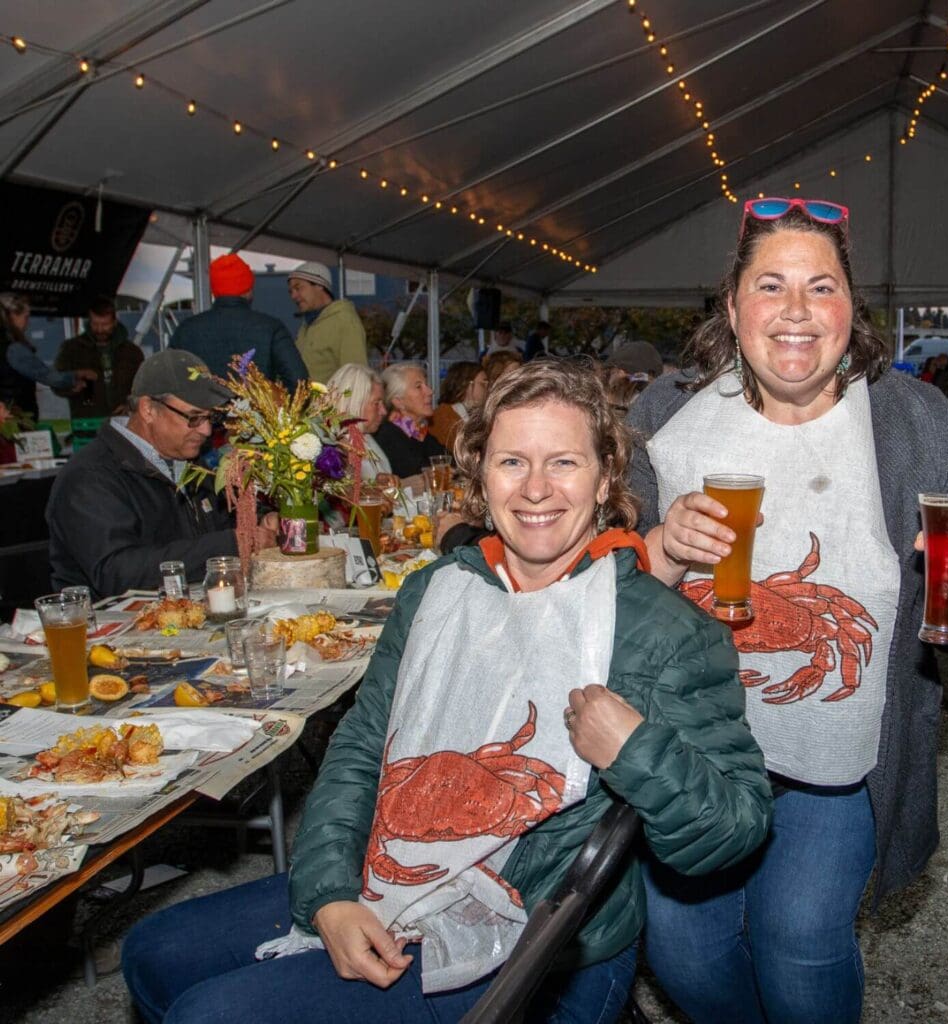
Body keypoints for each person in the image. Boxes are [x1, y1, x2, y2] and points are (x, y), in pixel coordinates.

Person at [121, 360, 772, 1024]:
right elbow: (362, 747)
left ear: (606, 478)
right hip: (391, 870)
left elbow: (736, 828)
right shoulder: (434, 591)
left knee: (211, 1014)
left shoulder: (666, 632)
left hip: (539, 949)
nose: (536, 489)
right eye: (512, 462)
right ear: (480, 475)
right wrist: (329, 895)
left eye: (564, 463)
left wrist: (635, 749)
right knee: (153, 951)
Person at [627, 196, 948, 1024]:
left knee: (800, 942)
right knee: (685, 952)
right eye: (771, 285)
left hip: (839, 757)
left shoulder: (915, 420)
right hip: (691, 746)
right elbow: (602, 579)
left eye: (822, 286)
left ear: (851, 310)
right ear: (733, 305)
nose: (796, 310)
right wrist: (660, 543)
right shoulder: (665, 414)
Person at [47, 349, 278, 597]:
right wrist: (229, 546)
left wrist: (261, 520)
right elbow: (116, 572)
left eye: (210, 418)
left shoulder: (189, 462)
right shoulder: (90, 476)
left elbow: (224, 519)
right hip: (113, 617)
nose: (206, 430)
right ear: (148, 409)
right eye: (194, 418)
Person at [170, 253, 307, 390]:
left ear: (214, 291)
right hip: (256, 404)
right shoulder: (271, 328)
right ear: (248, 291)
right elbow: (299, 383)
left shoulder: (186, 330)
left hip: (200, 404)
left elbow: (167, 378)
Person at [0, 292, 95, 420]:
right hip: (15, 416)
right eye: (26, 317)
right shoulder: (13, 349)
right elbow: (46, 375)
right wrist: (76, 376)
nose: (27, 324)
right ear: (12, 315)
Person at [53, 295, 144, 419]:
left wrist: (131, 405)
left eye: (105, 324)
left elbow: (144, 386)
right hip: (86, 421)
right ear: (89, 321)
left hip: (124, 420)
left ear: (115, 322)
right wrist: (72, 382)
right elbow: (55, 380)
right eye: (95, 324)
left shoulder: (132, 352)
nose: (100, 329)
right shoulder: (71, 349)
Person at [289, 261, 368, 382]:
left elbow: (356, 379)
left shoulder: (345, 321)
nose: (293, 296)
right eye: (291, 291)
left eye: (298, 288)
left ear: (320, 285)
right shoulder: (307, 325)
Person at [373, 362, 448, 477]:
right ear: (398, 401)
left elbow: (450, 462)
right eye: (418, 387)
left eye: (426, 385)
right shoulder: (387, 436)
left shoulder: (420, 433)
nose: (430, 392)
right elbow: (419, 474)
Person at [326, 363, 391, 480]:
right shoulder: (331, 449)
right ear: (354, 403)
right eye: (376, 403)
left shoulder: (367, 439)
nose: (384, 411)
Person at [428, 360, 487, 449]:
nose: (488, 388)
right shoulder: (444, 417)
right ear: (466, 385)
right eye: (483, 384)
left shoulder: (473, 413)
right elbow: (468, 450)